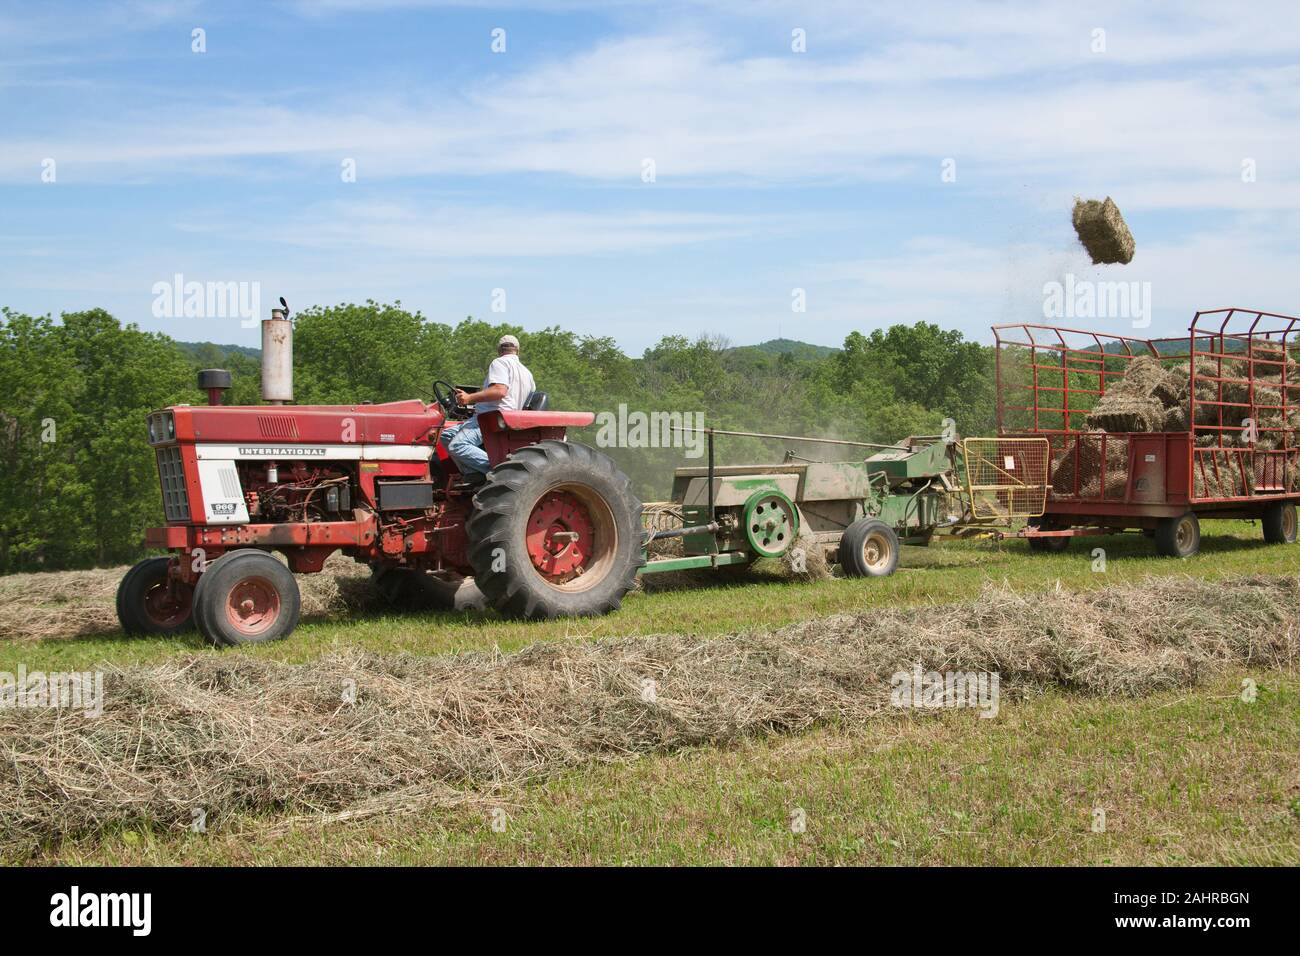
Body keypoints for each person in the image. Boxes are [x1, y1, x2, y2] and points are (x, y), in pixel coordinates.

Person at [441, 334, 536, 477]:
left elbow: (499, 391)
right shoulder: (528, 374)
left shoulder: (500, 363)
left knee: (457, 445)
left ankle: (501, 473)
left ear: (499, 350)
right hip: (507, 419)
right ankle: (473, 474)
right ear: (517, 350)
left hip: (490, 418)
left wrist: (469, 398)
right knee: (446, 435)